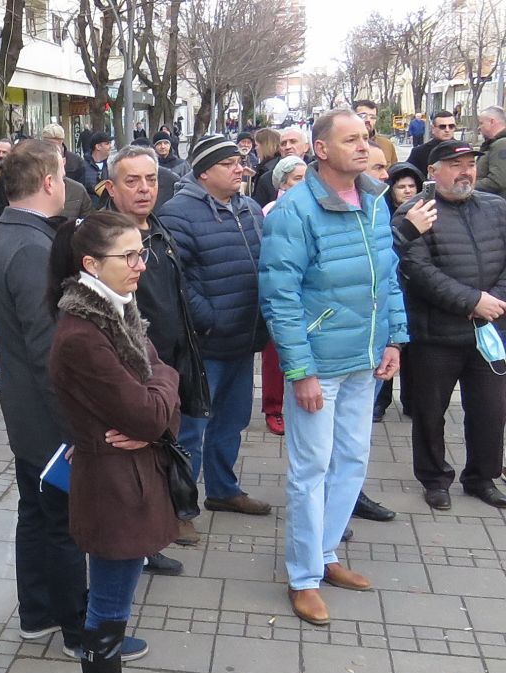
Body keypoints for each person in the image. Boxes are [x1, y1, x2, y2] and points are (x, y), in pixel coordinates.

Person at [0, 140, 147, 662]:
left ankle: (37, 613)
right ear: (51, 181)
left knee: (36, 513)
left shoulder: (10, 231)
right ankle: (80, 631)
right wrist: (78, 429)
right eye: (61, 173)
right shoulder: (34, 246)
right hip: (47, 415)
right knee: (61, 521)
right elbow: (46, 349)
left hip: (24, 407)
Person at [47, 211, 184, 673]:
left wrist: (159, 394)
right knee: (106, 612)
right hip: (111, 485)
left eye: (141, 251)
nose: (140, 264)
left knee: (115, 608)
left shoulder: (116, 312)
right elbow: (149, 410)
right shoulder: (83, 334)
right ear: (89, 266)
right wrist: (159, 397)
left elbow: (162, 374)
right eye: (127, 256)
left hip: (130, 477)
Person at [260, 109, 409, 626]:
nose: (364, 147)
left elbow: (387, 275)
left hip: (364, 359)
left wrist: (395, 339)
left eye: (365, 139)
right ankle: (303, 577)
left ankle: (325, 555)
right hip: (320, 364)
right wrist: (299, 371)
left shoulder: (373, 200)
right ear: (320, 150)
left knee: (352, 462)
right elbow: (279, 297)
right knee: (310, 469)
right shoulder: (293, 212)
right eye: (350, 140)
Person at [102, 145, 209, 576]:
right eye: (133, 181)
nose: (145, 189)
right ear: (110, 188)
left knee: (163, 454)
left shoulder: (159, 232)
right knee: (133, 466)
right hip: (137, 373)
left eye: (151, 179)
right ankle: (130, 552)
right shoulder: (105, 241)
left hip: (175, 364)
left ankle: (150, 540)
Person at [159, 135, 270, 544]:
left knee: (233, 421)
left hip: (244, 339)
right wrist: (209, 319)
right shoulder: (178, 213)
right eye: (230, 164)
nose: (240, 169)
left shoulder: (249, 208)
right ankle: (181, 509)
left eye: (240, 163)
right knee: (191, 430)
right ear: (204, 172)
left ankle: (223, 491)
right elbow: (176, 278)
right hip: (205, 345)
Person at [394, 139, 506, 510]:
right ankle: (434, 478)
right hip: (435, 334)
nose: (466, 171)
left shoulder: (495, 208)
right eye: (456, 164)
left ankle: (481, 476)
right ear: (433, 171)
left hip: (489, 331)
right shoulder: (416, 213)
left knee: (490, 410)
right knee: (430, 412)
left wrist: (492, 303)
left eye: (471, 163)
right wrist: (471, 301)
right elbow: (417, 270)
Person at [259, 156, 308, 436]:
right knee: (275, 354)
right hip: (279, 293)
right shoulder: (271, 210)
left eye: (306, 177)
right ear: (283, 182)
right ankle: (273, 408)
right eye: (297, 179)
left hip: (308, 295)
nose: (303, 184)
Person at [374, 162, 427, 420]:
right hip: (390, 287)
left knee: (409, 348)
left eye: (411, 186)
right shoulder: (379, 211)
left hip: (414, 291)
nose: (407, 191)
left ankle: (411, 400)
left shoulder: (427, 212)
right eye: (401, 186)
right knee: (388, 345)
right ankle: (381, 401)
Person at [254, 127, 308, 207]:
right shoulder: (267, 178)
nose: (287, 147)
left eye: (293, 142)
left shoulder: (319, 171)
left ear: (306, 147)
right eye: (283, 144)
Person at [354, 100, 398, 167]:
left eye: (372, 117)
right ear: (352, 117)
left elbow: (395, 173)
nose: (368, 120)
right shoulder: (344, 145)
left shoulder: (387, 145)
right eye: (362, 116)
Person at [476, 106, 506, 198]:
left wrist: (469, 186)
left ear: (492, 122)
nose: (479, 128)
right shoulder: (495, 143)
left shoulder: (501, 144)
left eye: (481, 123)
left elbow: (497, 181)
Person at [81, 131, 114, 198]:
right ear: (98, 147)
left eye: (110, 143)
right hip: (89, 207)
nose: (110, 146)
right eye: (107, 144)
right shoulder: (82, 166)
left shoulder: (112, 165)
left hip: (108, 207)